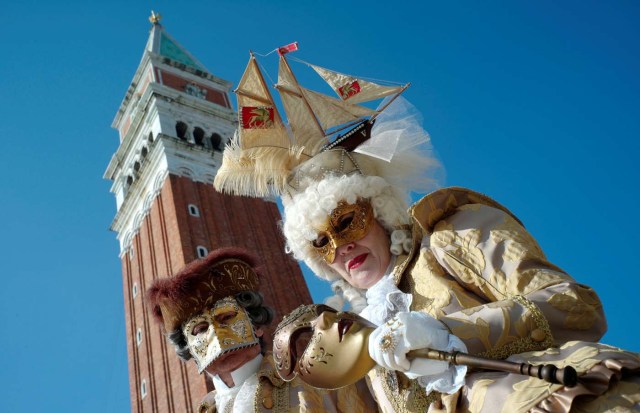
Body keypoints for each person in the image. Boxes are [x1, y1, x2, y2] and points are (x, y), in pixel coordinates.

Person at [214, 53, 640, 411]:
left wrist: (454, 335)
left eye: (346, 223)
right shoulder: (361, 339)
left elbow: (577, 306)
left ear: (377, 208)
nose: (342, 248)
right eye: (321, 244)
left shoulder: (450, 235)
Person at [146, 247, 377, 412]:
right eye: (199, 329)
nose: (217, 334)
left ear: (256, 325)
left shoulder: (322, 380)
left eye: (226, 317)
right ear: (189, 350)